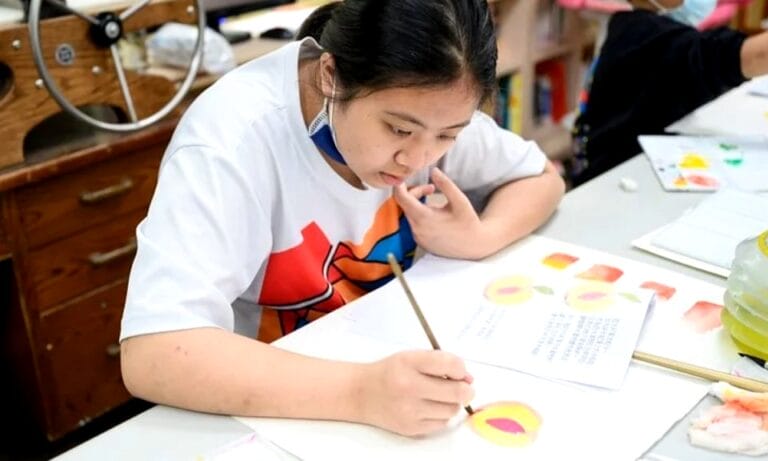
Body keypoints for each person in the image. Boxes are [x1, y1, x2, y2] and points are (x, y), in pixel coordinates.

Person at [120, 0, 565, 437]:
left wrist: (480, 236)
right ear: (330, 75)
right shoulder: (232, 142)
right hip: (270, 404)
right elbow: (154, 353)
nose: (418, 158)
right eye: (398, 130)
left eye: (449, 136)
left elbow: (542, 177)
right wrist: (361, 393)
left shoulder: (433, 102)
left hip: (381, 361)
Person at [570, 0, 768, 186]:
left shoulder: (628, 24)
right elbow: (750, 56)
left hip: (604, 168)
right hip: (613, 180)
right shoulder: (647, 35)